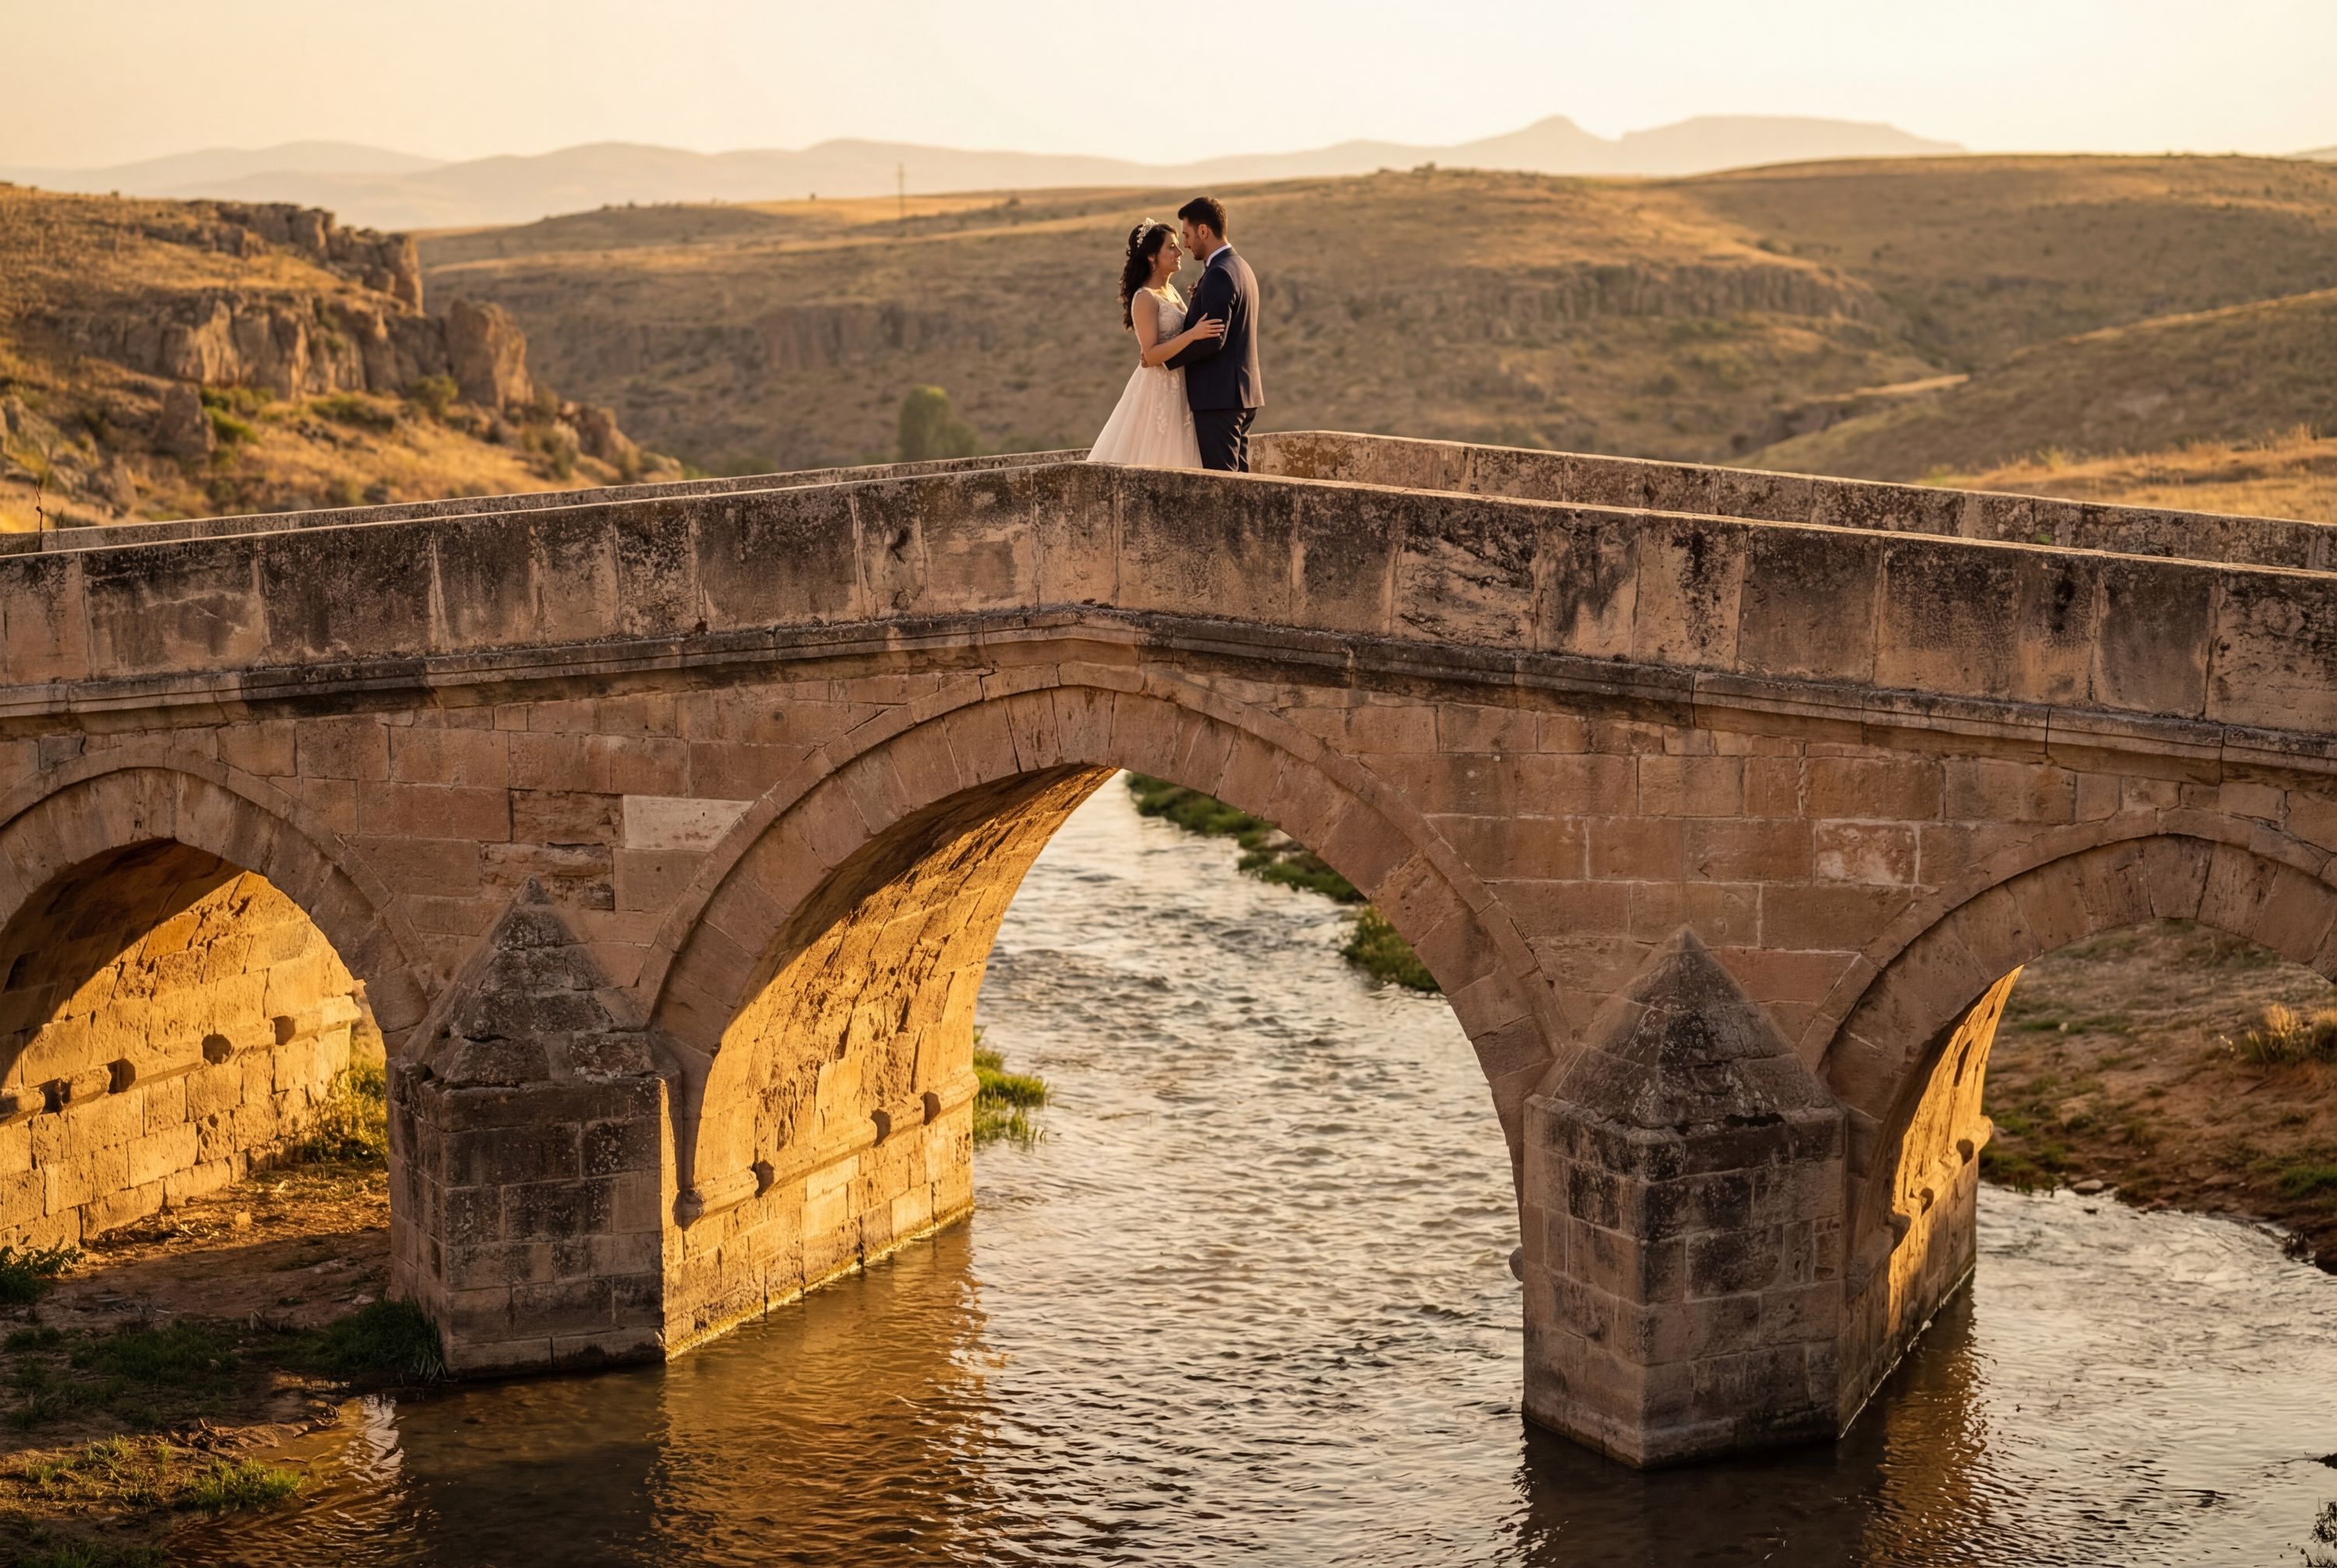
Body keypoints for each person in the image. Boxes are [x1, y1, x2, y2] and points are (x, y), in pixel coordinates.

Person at [1084, 220, 1225, 467]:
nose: (1180, 252)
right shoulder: (1145, 298)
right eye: (1171, 247)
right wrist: (1193, 335)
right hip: (1159, 388)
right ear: (1152, 257)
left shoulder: (1170, 291)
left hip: (1182, 385)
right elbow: (1150, 356)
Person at [1165, 195, 1263, 473]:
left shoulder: (1220, 273)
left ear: (1203, 231)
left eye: (1186, 234)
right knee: (1239, 482)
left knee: (1222, 485)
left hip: (1219, 397)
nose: (1185, 243)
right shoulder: (1241, 266)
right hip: (1241, 392)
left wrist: (1164, 358)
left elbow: (1213, 338)